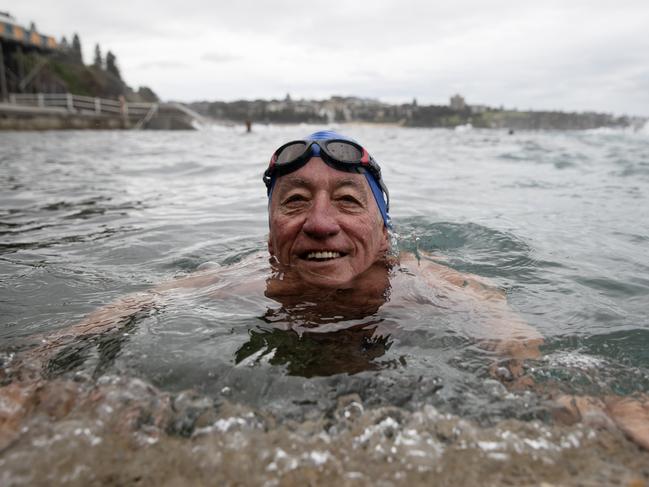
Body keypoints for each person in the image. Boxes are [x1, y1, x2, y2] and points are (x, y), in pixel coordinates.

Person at [1, 131, 647, 451]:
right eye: (295, 201)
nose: (320, 221)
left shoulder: (421, 279)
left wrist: (523, 377)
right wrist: (38, 362)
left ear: (384, 231)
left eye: (346, 200)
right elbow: (138, 304)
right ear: (270, 227)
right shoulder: (245, 277)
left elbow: (504, 326)